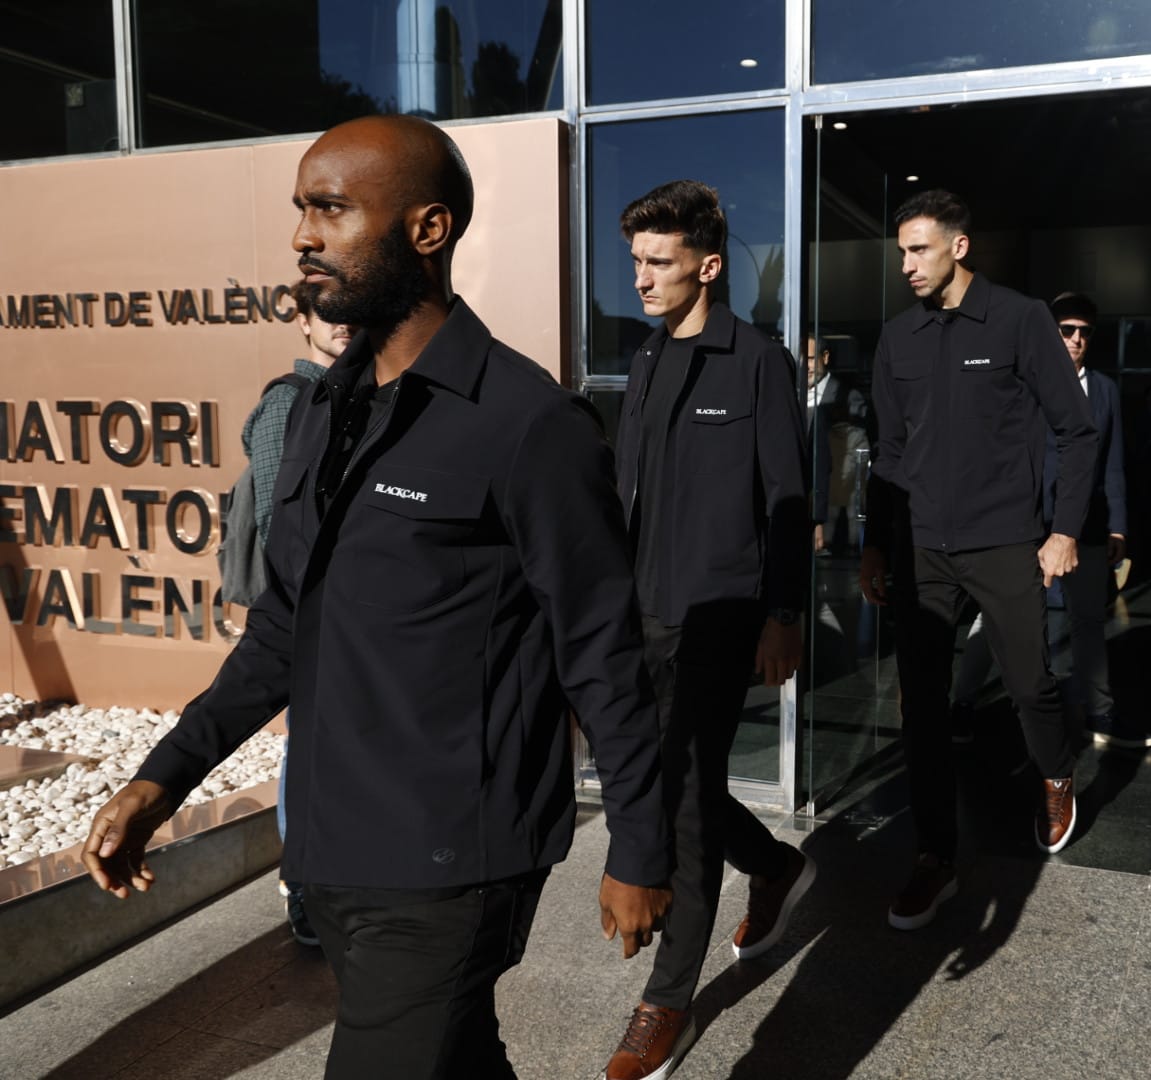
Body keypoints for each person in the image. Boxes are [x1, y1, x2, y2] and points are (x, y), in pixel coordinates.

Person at [78, 115, 673, 1080]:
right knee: (458, 1060)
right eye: (300, 211)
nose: (303, 236)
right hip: (332, 848)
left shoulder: (530, 425)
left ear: (427, 230)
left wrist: (641, 847)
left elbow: (604, 653)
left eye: (332, 209)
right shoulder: (323, 407)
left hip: (450, 864)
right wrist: (163, 777)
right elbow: (282, 627)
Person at [603, 180, 814, 1080]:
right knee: (667, 784)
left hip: (721, 619)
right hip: (640, 614)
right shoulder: (647, 358)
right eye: (636, 262)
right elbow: (626, 494)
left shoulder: (759, 360)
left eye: (659, 262)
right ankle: (772, 864)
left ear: (709, 264)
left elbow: (789, 500)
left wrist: (784, 614)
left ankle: (668, 999)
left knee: (684, 802)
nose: (642, 279)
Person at [860, 189, 1098, 930]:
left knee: (1028, 682)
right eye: (901, 251)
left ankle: (1056, 773)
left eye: (920, 248)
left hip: (1003, 540)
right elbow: (887, 455)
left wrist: (1062, 532)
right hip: (923, 546)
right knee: (923, 708)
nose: (907, 264)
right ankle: (936, 856)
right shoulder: (897, 338)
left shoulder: (1021, 319)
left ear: (959, 247)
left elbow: (1077, 431)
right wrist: (876, 542)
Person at [246, 294, 350, 947]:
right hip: (312, 612)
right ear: (304, 322)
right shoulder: (288, 401)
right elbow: (273, 524)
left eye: (352, 312)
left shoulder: (361, 393)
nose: (342, 324)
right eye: (326, 312)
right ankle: (301, 888)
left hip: (355, 614)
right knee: (306, 746)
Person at [1049, 294, 1144, 747]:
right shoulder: (1027, 383)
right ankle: (967, 701)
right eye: (1068, 330)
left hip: (1087, 524)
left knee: (1088, 620)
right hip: (1033, 523)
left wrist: (1118, 525)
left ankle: (1101, 711)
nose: (1077, 339)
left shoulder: (1104, 389)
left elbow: (1114, 463)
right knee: (1002, 620)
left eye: (1084, 331)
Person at [805, 335, 869, 556]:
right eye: (801, 358)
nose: (805, 366)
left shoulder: (848, 398)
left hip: (835, 510)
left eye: (811, 359)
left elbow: (853, 462)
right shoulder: (788, 395)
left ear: (826, 357)